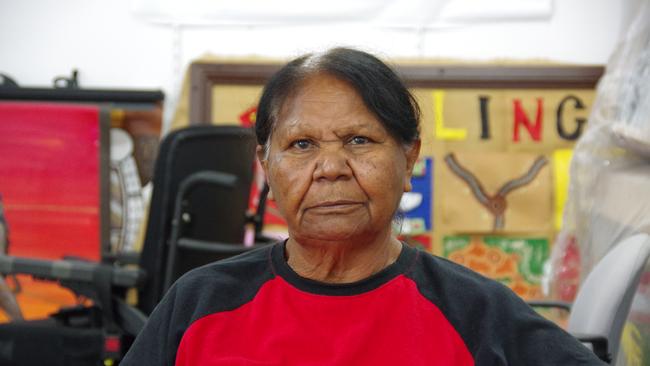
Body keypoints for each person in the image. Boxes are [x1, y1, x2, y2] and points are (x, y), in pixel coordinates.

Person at [121, 47, 606, 365]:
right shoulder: (199, 305)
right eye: (302, 145)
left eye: (358, 139)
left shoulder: (473, 313)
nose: (331, 168)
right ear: (265, 167)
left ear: (409, 156)